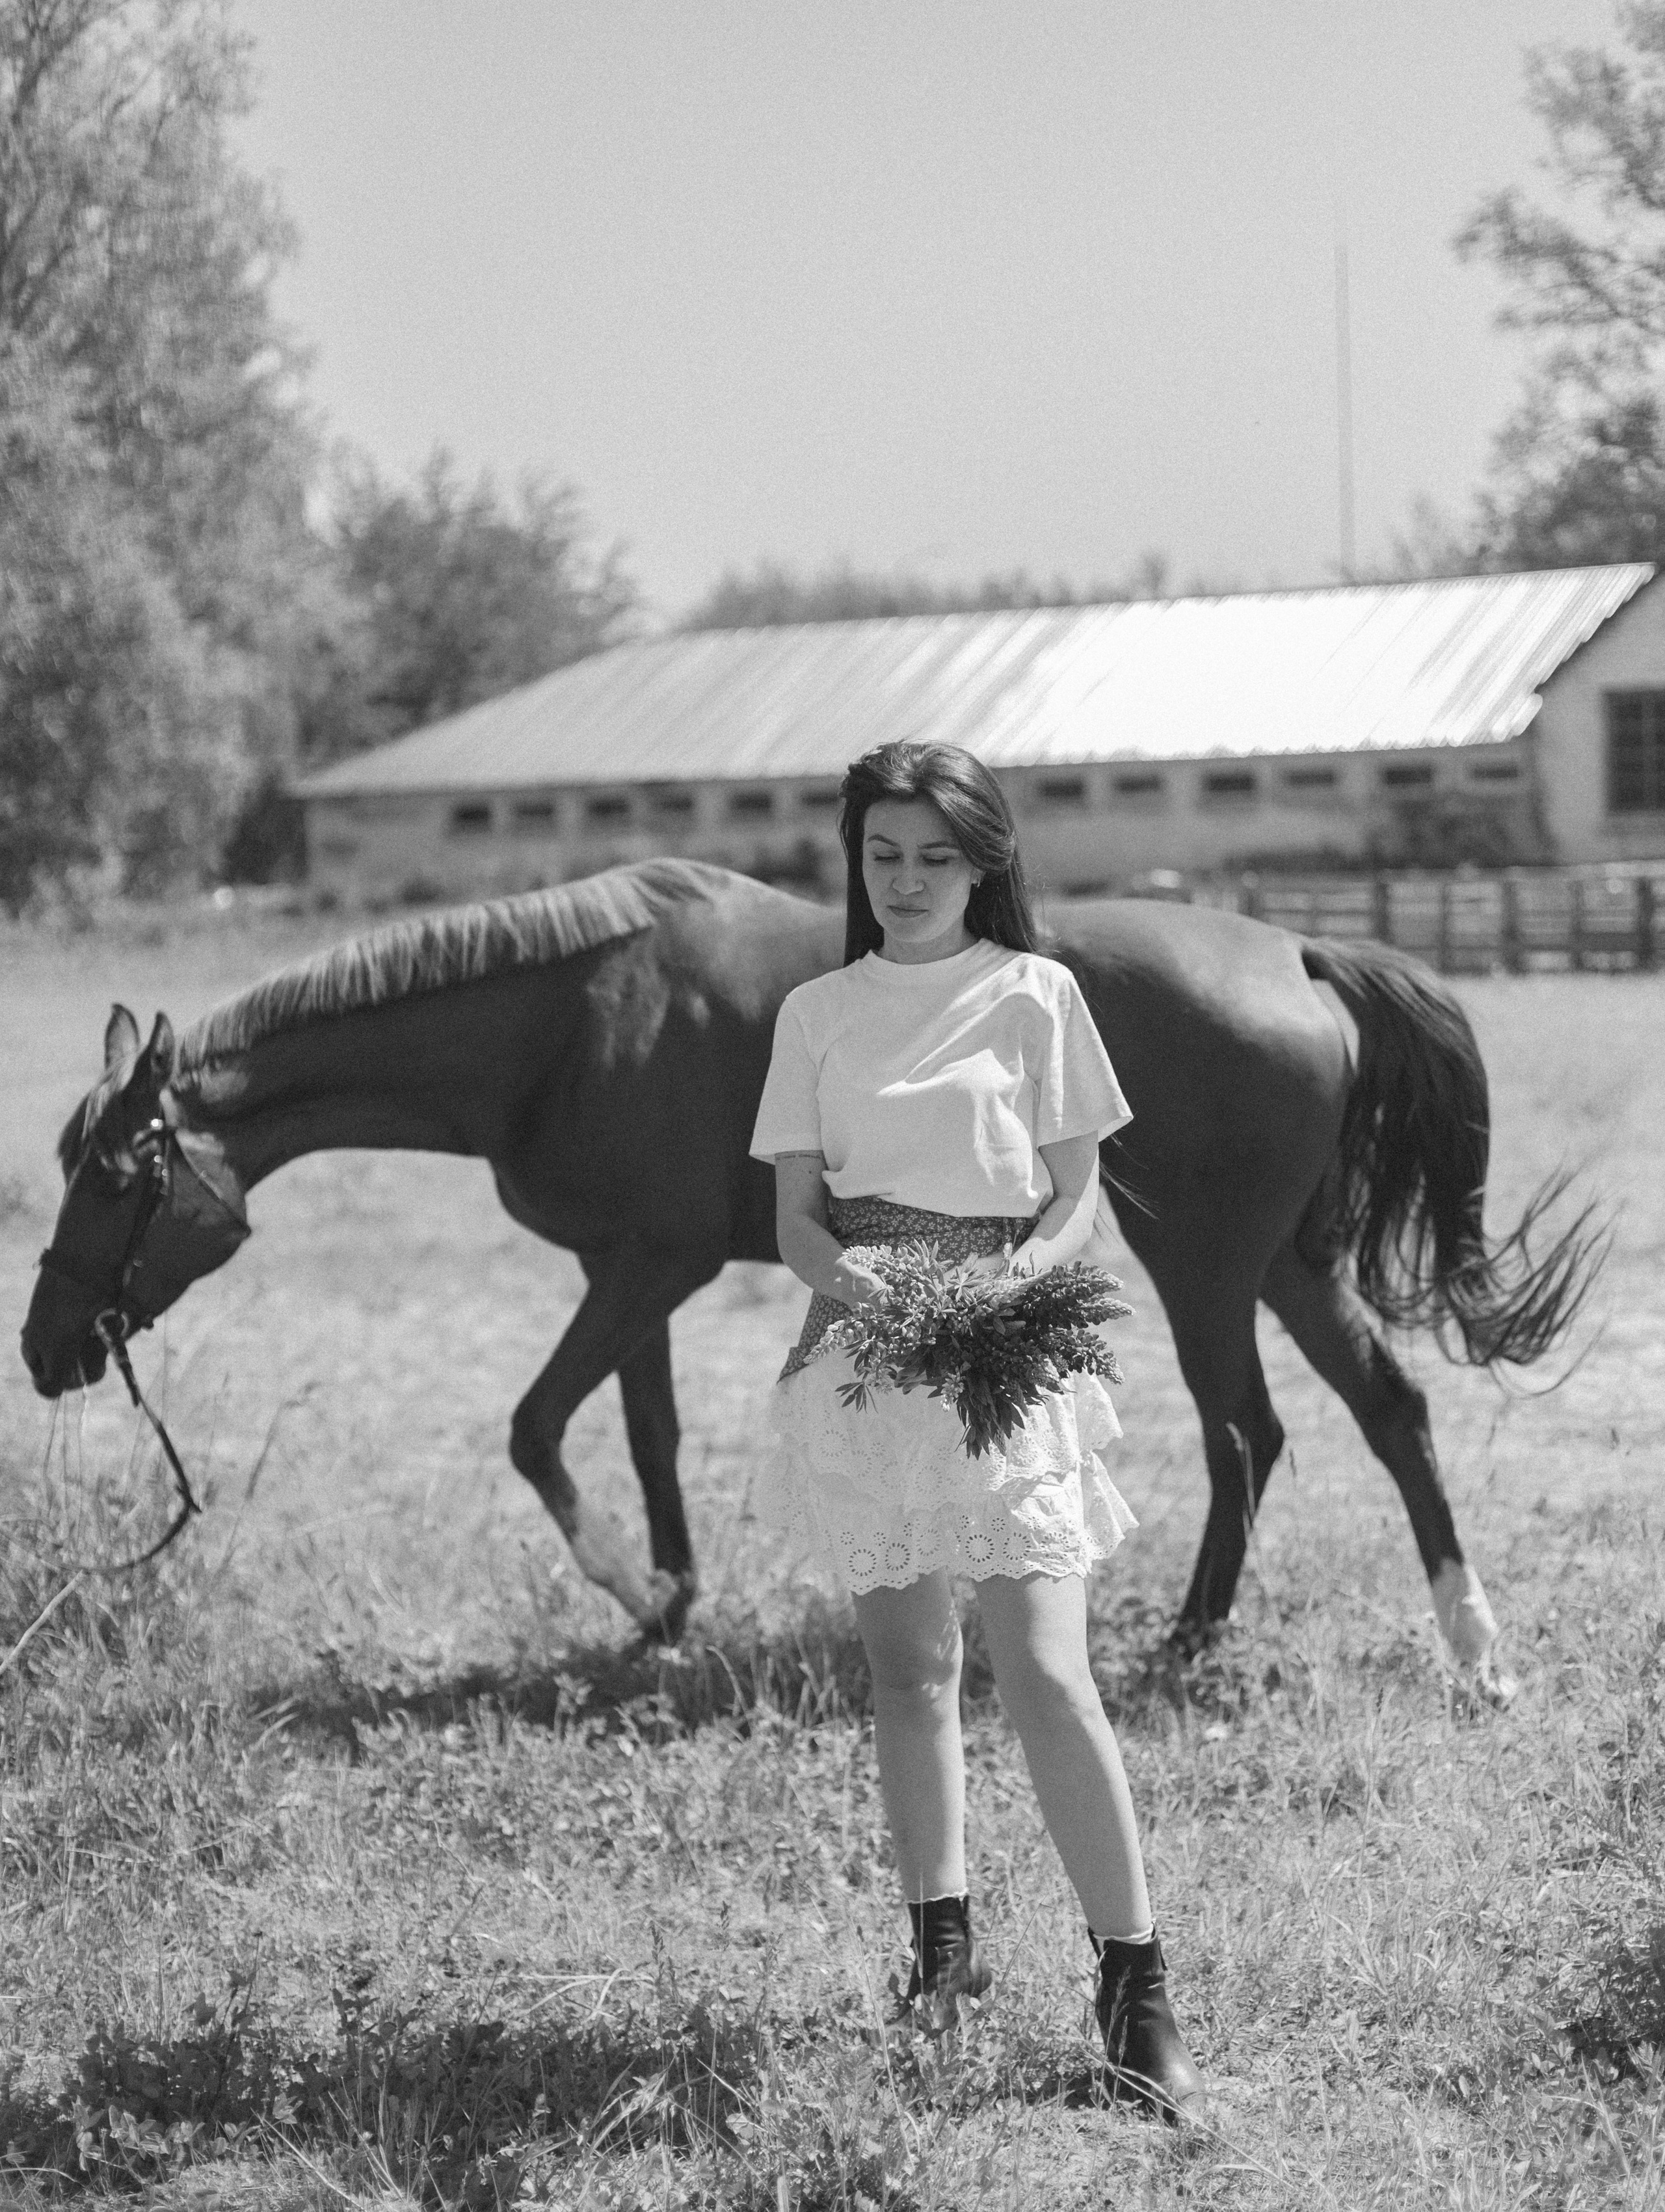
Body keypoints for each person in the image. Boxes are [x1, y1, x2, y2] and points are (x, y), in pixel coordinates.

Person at [748, 739, 1205, 2122]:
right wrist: (861, 1285)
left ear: (982, 861)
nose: (906, 881)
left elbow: (1075, 1195)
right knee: (909, 1674)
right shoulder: (816, 1014)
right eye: (882, 855)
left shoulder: (1035, 995)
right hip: (867, 1353)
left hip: (1006, 1348)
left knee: (1048, 1673)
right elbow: (794, 1221)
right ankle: (941, 1964)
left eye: (934, 858)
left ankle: (1135, 1993)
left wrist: (1010, 1282)